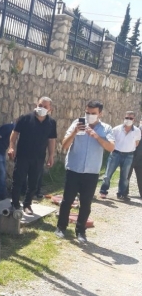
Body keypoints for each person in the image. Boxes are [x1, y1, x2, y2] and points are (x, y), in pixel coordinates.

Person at [55, 100, 115, 243]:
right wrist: (75, 132)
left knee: (86, 203)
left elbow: (111, 147)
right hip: (74, 169)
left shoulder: (106, 128)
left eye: (93, 113)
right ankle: (61, 227)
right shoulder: (77, 123)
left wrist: (96, 136)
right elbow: (64, 145)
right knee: (67, 200)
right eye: (87, 112)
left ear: (100, 113)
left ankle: (81, 231)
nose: (89, 116)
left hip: (91, 172)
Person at [7, 97, 57, 215]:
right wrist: (11, 146)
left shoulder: (51, 123)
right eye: (40, 105)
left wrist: (51, 156)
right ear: (36, 105)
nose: (42, 108)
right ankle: (14, 203)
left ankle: (27, 204)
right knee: (18, 181)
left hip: (39, 157)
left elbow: (51, 140)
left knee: (33, 183)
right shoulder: (25, 119)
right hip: (23, 155)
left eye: (45, 107)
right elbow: (14, 134)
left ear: (50, 109)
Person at [98, 111, 140, 200]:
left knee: (124, 177)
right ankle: (103, 191)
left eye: (130, 118)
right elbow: (111, 141)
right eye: (127, 118)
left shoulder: (137, 131)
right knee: (108, 174)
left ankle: (121, 193)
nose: (128, 120)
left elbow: (136, 143)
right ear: (124, 118)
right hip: (115, 154)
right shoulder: (116, 129)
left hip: (129, 155)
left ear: (134, 120)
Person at [124, 115, 142, 198]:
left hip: (140, 158)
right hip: (130, 155)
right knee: (126, 175)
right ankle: (124, 193)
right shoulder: (134, 130)